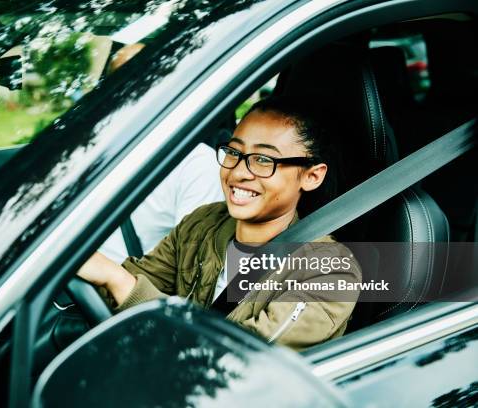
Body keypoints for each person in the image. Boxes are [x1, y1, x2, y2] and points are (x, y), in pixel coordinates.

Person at [78, 96, 361, 350]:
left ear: (312, 176)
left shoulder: (332, 271)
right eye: (234, 153)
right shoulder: (204, 223)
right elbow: (130, 287)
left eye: (264, 160)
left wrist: (115, 278)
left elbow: (229, 357)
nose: (238, 172)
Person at [99, 41, 223, 262]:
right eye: (120, 85)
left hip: (121, 292)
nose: (129, 95)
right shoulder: (87, 157)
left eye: (143, 85)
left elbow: (190, 277)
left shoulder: (197, 166)